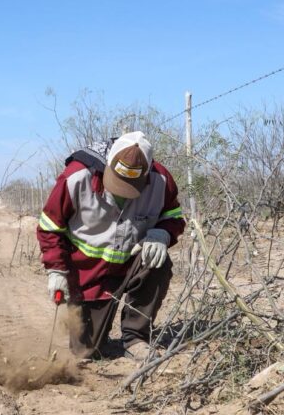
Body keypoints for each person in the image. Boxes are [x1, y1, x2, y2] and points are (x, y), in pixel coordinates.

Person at [37, 131, 186, 361]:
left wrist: (163, 233)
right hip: (89, 273)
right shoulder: (76, 176)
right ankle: (96, 335)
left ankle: (135, 337)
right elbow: (49, 227)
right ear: (107, 165)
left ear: (146, 173)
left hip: (132, 264)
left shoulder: (161, 181)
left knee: (159, 260)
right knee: (87, 350)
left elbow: (174, 217)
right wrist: (56, 270)